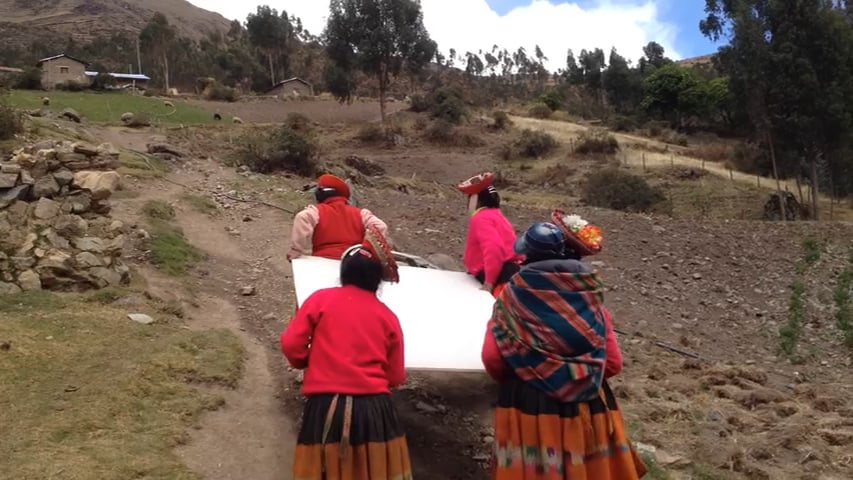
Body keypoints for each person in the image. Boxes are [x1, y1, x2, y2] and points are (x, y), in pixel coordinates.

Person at [481, 213, 647, 480]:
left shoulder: (508, 302)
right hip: (587, 406)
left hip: (527, 405)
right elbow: (613, 364)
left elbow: (492, 359)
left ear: (526, 258)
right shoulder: (595, 306)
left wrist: (523, 377)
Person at [280, 225, 411, 479]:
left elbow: (291, 344)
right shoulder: (388, 318)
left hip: (325, 406)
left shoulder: (320, 300)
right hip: (375, 411)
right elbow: (395, 376)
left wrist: (308, 361)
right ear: (376, 280)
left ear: (344, 272)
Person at [288, 173, 389, 261]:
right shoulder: (361, 213)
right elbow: (381, 226)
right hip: (354, 261)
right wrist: (367, 249)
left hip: (323, 260)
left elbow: (302, 217)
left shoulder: (316, 211)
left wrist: (296, 250)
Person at [456, 172, 523, 297]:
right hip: (512, 270)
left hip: (500, 277)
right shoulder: (496, 214)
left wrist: (489, 281)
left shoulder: (480, 218)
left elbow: (494, 248)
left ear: (475, 198)